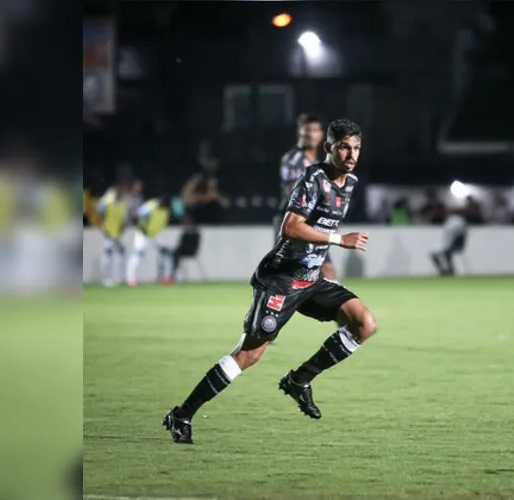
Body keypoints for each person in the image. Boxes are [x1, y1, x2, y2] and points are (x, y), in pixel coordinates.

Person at [163, 118, 376, 444]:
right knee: (249, 354)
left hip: (312, 280)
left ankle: (299, 380)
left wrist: (325, 257)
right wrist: (337, 239)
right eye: (344, 146)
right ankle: (182, 414)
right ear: (329, 147)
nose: (351, 154)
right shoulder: (312, 178)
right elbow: (290, 228)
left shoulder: (350, 183)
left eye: (356, 147)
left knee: (364, 323)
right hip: (282, 279)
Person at [275, 114, 337, 280]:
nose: (311, 134)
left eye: (315, 130)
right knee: (291, 277)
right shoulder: (293, 160)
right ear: (299, 133)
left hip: (313, 225)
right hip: (295, 224)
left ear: (321, 134)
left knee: (326, 271)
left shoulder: (318, 162)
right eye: (307, 130)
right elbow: (293, 196)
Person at [126, 195, 174, 286]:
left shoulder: (165, 210)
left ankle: (166, 277)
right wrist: (144, 231)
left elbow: (163, 222)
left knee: (166, 253)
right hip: (143, 234)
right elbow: (138, 216)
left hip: (155, 235)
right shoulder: (150, 207)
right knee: (138, 254)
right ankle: (130, 279)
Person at [96, 181, 130, 287]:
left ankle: (121, 278)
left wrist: (122, 228)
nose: (122, 194)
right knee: (108, 255)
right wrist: (102, 227)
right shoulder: (106, 202)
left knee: (121, 254)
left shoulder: (123, 204)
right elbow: (99, 214)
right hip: (107, 232)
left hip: (117, 234)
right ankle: (106, 279)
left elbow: (124, 219)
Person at [431, 207, 469, 276]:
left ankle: (447, 270)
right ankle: (446, 270)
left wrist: (446, 245)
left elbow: (451, 235)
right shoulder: (461, 222)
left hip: (453, 245)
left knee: (445, 252)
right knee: (441, 253)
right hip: (452, 244)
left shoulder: (453, 222)